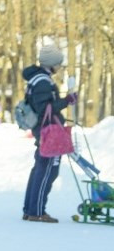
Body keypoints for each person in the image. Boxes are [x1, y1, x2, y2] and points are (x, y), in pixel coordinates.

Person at [21, 43, 77, 223]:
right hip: (49, 130)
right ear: (51, 63)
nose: (59, 67)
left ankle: (30, 210)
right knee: (47, 171)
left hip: (43, 128)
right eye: (58, 63)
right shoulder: (43, 81)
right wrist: (67, 100)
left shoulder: (37, 78)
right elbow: (45, 108)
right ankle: (37, 212)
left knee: (39, 167)